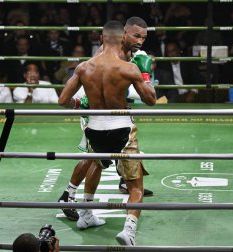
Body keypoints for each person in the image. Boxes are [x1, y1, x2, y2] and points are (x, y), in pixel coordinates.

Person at [59, 20, 156, 246]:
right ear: (122, 38)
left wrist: (83, 104)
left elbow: (63, 100)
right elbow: (150, 99)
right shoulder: (129, 67)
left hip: (95, 126)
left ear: (101, 39)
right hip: (121, 127)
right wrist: (144, 73)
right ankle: (128, 231)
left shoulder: (84, 67)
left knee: (96, 163)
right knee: (135, 186)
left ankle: (85, 214)